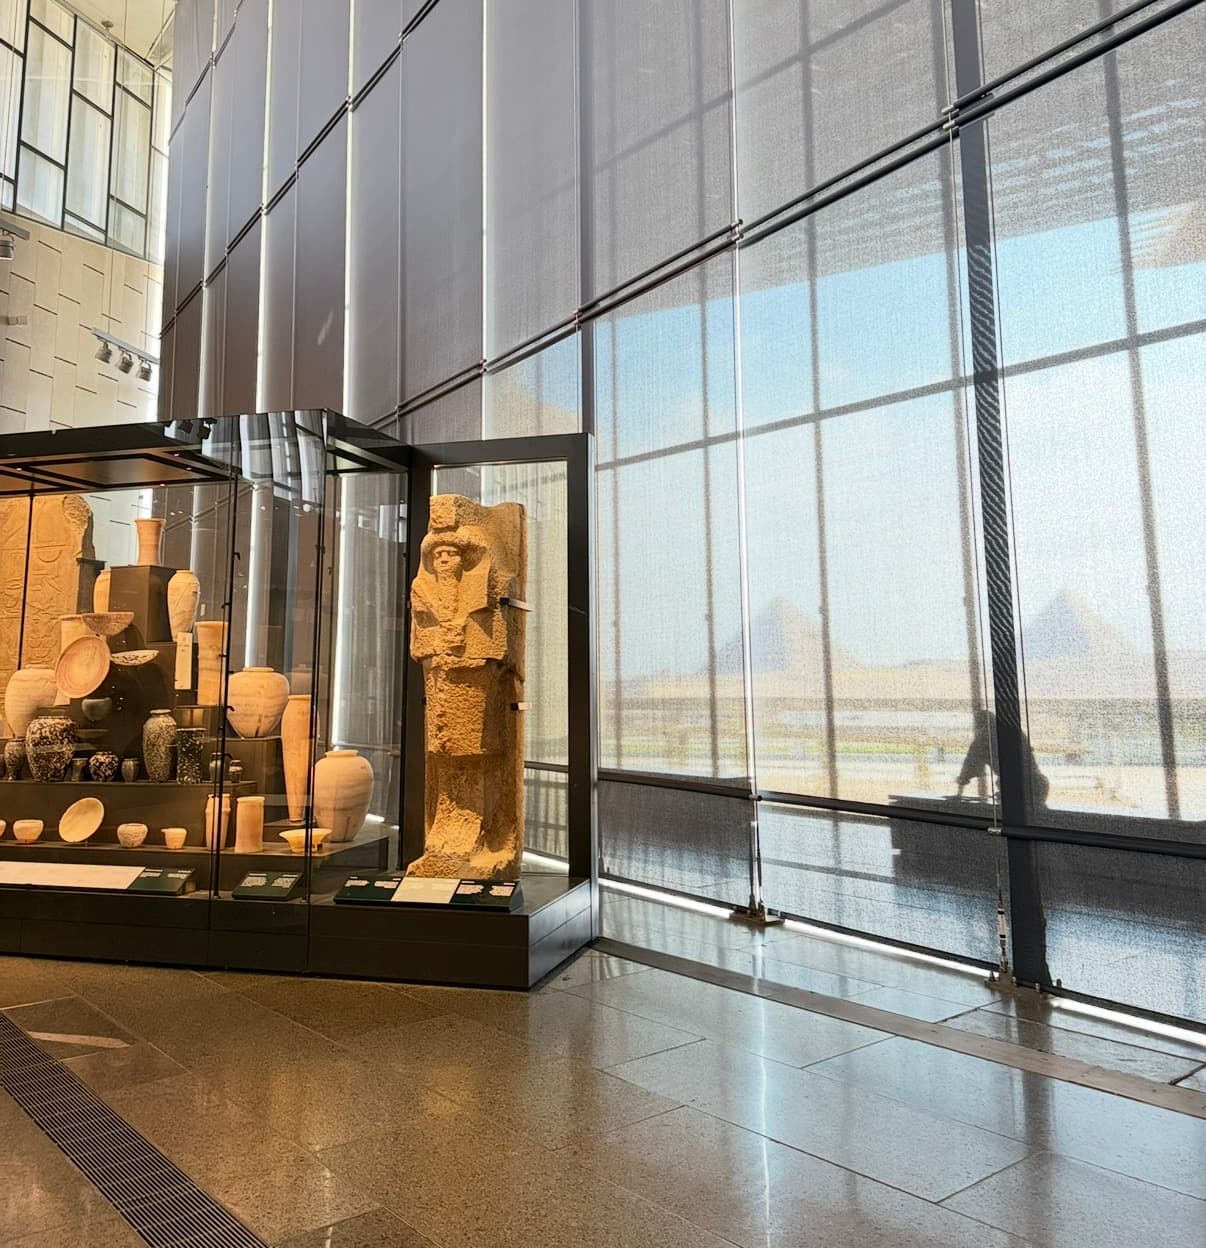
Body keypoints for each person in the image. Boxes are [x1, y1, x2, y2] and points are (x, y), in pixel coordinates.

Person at [956, 708, 1050, 808]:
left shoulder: (982, 741)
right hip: (1038, 786)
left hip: (1015, 789)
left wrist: (959, 794)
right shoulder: (1013, 732)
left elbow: (968, 768)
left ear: (979, 725)